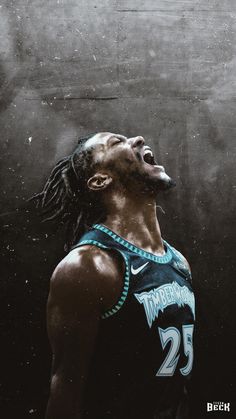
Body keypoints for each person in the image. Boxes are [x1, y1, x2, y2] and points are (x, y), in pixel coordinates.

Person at [34, 132, 195, 419]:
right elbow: (65, 394)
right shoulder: (88, 266)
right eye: (115, 142)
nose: (139, 138)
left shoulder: (179, 262)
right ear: (100, 180)